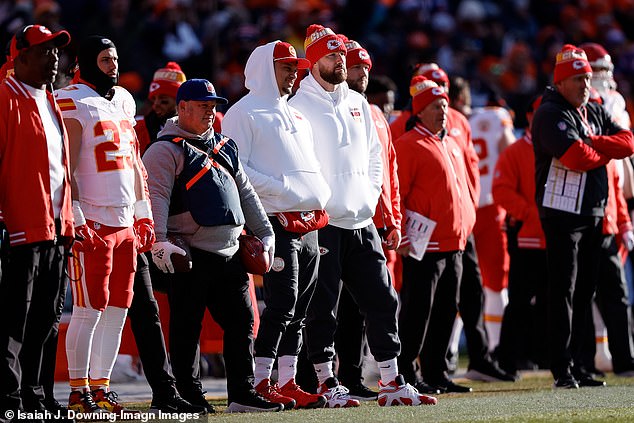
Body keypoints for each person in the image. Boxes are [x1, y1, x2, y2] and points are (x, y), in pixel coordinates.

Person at [290, 24, 437, 408]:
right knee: (323, 307)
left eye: (342, 55)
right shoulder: (297, 106)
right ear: (313, 60)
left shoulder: (358, 103)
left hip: (360, 219)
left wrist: (370, 195)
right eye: (331, 55)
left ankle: (390, 380)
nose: (340, 61)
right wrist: (320, 200)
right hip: (323, 223)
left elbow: (375, 157)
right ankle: (326, 381)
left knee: (383, 299)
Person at [142, 78, 283, 413]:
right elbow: (156, 198)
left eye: (213, 105)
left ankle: (241, 393)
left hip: (231, 252)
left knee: (242, 323)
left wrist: (266, 233)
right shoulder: (165, 149)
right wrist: (159, 242)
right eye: (203, 105)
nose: (210, 111)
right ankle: (189, 394)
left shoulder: (224, 146)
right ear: (183, 108)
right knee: (186, 327)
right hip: (190, 253)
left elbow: (246, 193)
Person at [221, 40, 331, 410]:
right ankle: (262, 380)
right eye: (286, 68)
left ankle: (288, 380)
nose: (294, 74)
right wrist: (285, 189)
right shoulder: (243, 113)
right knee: (282, 303)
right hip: (274, 220)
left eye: (295, 68)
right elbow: (236, 169)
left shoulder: (296, 113)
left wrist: (316, 191)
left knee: (301, 306)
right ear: (266, 69)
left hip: (310, 219)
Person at [57, 35, 155, 416]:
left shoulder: (123, 102)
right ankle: (79, 391)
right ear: (85, 61)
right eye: (104, 59)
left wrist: (143, 211)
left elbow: (134, 162)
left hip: (124, 219)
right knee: (89, 309)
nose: (112, 65)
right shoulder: (73, 99)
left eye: (114, 58)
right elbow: (66, 165)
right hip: (94, 218)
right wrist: (76, 214)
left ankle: (101, 387)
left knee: (117, 310)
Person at [532, 44, 634, 388]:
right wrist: (602, 148)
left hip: (592, 211)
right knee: (564, 291)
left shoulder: (592, 109)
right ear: (561, 82)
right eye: (578, 79)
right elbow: (575, 156)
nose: (585, 85)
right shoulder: (550, 112)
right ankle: (562, 369)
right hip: (562, 213)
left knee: (585, 293)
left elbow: (629, 142)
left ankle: (584, 365)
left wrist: (595, 143)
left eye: (588, 78)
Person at [419, 68, 513, 385]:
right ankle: (410, 362)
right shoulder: (408, 124)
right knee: (419, 295)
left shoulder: (459, 122)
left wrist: (468, 209)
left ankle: (481, 356)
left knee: (468, 290)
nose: (440, 98)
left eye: (443, 88)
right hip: (426, 223)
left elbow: (470, 167)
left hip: (467, 218)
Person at [0, 24, 73, 421]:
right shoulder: (5, 97)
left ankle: (37, 394)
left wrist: (69, 221)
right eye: (44, 51)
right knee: (13, 319)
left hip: (55, 227)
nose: (54, 57)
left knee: (46, 319)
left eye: (56, 51)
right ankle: (9, 400)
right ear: (21, 57)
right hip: (19, 227)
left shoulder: (50, 99)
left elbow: (59, 169)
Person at [125, 62, 205, 414]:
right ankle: (157, 384)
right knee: (144, 310)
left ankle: (188, 386)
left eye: (167, 99)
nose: (159, 105)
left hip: (182, 236)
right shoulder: (135, 129)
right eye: (155, 99)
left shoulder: (196, 136)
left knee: (188, 312)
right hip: (141, 232)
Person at [394, 75, 476, 394]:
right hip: (424, 244)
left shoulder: (451, 142)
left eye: (444, 104)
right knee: (418, 311)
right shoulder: (408, 145)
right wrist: (400, 234)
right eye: (434, 106)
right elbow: (397, 193)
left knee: (446, 310)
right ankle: (406, 372)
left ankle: (436, 371)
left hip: (455, 242)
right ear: (419, 111)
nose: (442, 110)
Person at [333, 36, 402, 402]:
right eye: (356, 66)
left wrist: (391, 218)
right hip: (336, 218)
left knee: (368, 303)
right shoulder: (335, 106)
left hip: (369, 218)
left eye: (365, 67)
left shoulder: (371, 112)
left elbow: (386, 170)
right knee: (330, 303)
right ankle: (325, 376)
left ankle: (355, 374)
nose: (360, 72)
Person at [493, 96, 549, 377]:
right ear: (530, 117)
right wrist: (529, 213)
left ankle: (546, 355)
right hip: (526, 238)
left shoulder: (559, 148)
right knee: (519, 301)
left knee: (553, 301)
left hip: (555, 237)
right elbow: (501, 190)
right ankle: (510, 358)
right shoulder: (515, 151)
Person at [468, 100, 516, 350]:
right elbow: (512, 156)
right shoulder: (494, 117)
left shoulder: (450, 120)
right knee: (495, 282)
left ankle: (452, 350)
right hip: (488, 205)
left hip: (465, 207)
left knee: (461, 283)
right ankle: (497, 346)